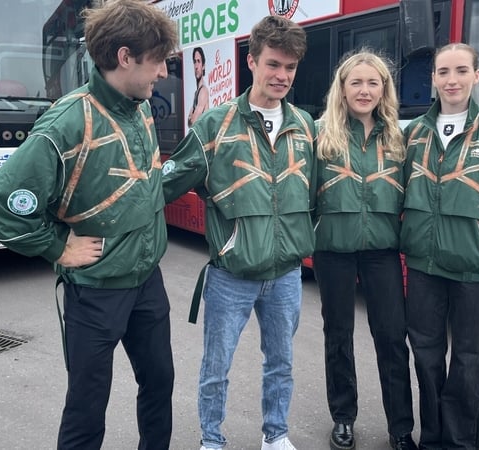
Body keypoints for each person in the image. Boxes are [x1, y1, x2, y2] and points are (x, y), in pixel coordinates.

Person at [0, 1, 178, 448]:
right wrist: (57, 247)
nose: (164, 72)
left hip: (148, 283)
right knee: (87, 407)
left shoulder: (140, 107)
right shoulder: (67, 122)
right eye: (158, 60)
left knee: (160, 385)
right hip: (95, 293)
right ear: (125, 57)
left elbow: (143, 185)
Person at [161, 15, 315, 450]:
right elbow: (166, 186)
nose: (281, 76)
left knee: (281, 363)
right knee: (216, 367)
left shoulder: (305, 127)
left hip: (286, 273)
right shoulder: (215, 125)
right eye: (273, 64)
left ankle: (276, 436)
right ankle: (212, 441)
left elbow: (318, 191)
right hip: (231, 275)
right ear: (251, 62)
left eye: (290, 67)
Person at [400, 42, 479, 450]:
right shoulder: (415, 132)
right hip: (423, 265)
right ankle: (432, 439)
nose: (451, 80)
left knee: (468, 362)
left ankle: (459, 443)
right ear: (433, 79)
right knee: (425, 355)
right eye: (443, 72)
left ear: (476, 76)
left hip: (475, 268)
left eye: (460, 71)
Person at [313, 50, 416, 450]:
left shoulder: (398, 137)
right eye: (356, 82)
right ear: (342, 88)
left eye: (373, 82)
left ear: (384, 89)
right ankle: (343, 417)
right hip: (333, 249)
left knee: (391, 336)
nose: (364, 89)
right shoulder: (320, 133)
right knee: (338, 335)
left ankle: (401, 427)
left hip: (382, 251)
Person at [187, 47, 210, 127]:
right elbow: (188, 122)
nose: (196, 66)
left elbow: (192, 121)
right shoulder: (196, 93)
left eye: (198, 61)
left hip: (202, 138)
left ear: (203, 66)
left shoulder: (203, 91)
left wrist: (192, 116)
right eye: (194, 62)